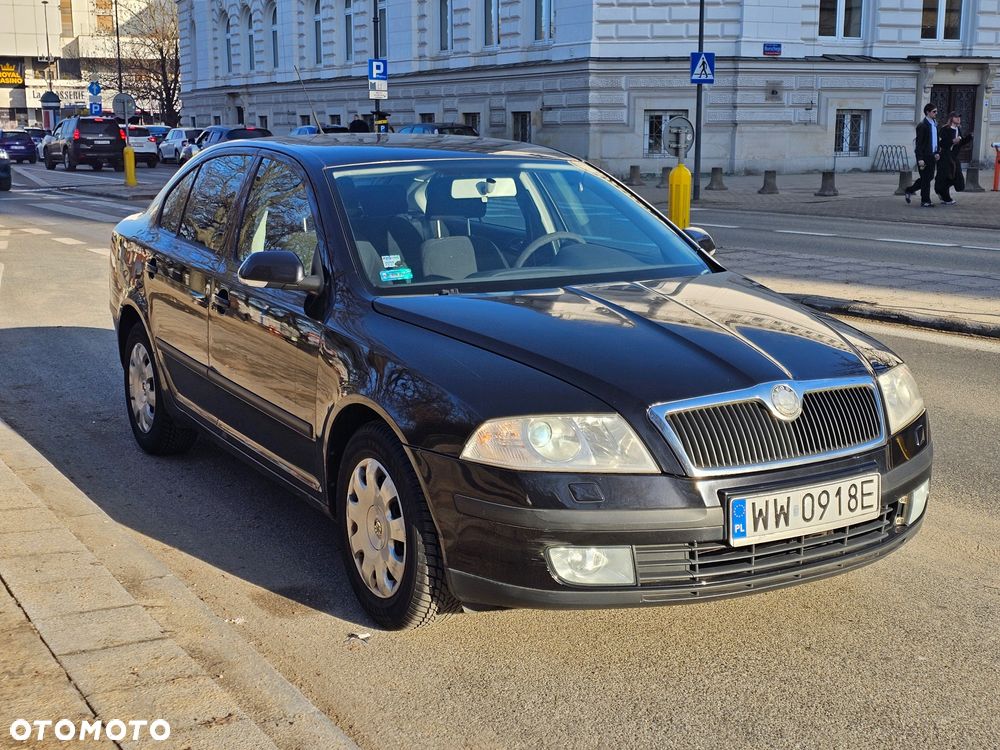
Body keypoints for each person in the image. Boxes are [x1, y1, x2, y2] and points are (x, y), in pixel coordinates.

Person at [904, 103, 940, 207]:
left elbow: (936, 140)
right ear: (927, 112)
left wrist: (937, 152)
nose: (936, 113)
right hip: (924, 157)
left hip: (932, 156)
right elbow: (919, 144)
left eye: (936, 111)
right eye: (934, 111)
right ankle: (925, 201)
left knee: (929, 177)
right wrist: (920, 158)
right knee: (925, 179)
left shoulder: (934, 124)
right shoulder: (922, 125)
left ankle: (909, 190)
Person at [934, 111, 972, 205]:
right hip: (945, 156)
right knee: (947, 176)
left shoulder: (958, 129)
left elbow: (961, 143)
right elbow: (941, 143)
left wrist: (969, 137)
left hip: (953, 157)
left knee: (957, 177)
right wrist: (952, 141)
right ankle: (945, 197)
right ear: (951, 118)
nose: (959, 119)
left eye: (959, 117)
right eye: (956, 117)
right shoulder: (945, 129)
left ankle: (941, 192)